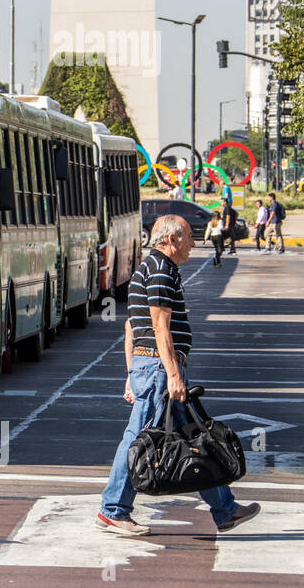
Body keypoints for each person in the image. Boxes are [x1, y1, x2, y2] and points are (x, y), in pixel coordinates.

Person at [96, 215, 260, 536]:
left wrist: (135, 372)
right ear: (171, 240)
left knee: (194, 436)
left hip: (154, 366)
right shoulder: (158, 269)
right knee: (138, 439)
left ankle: (225, 509)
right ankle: (113, 509)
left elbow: (132, 326)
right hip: (159, 367)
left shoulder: (159, 268)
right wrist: (172, 373)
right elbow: (159, 326)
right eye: (188, 237)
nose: (194, 243)